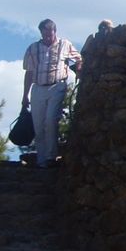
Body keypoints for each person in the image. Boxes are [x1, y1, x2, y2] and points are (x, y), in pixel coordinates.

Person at [22, 19, 81, 169]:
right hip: (38, 88)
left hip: (57, 86)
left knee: (50, 120)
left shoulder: (64, 44)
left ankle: (51, 156)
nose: (48, 36)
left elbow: (79, 58)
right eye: (45, 34)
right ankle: (42, 161)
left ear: (55, 31)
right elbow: (29, 72)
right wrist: (25, 96)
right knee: (39, 124)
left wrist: (78, 67)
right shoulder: (33, 48)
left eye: (51, 33)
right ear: (41, 33)